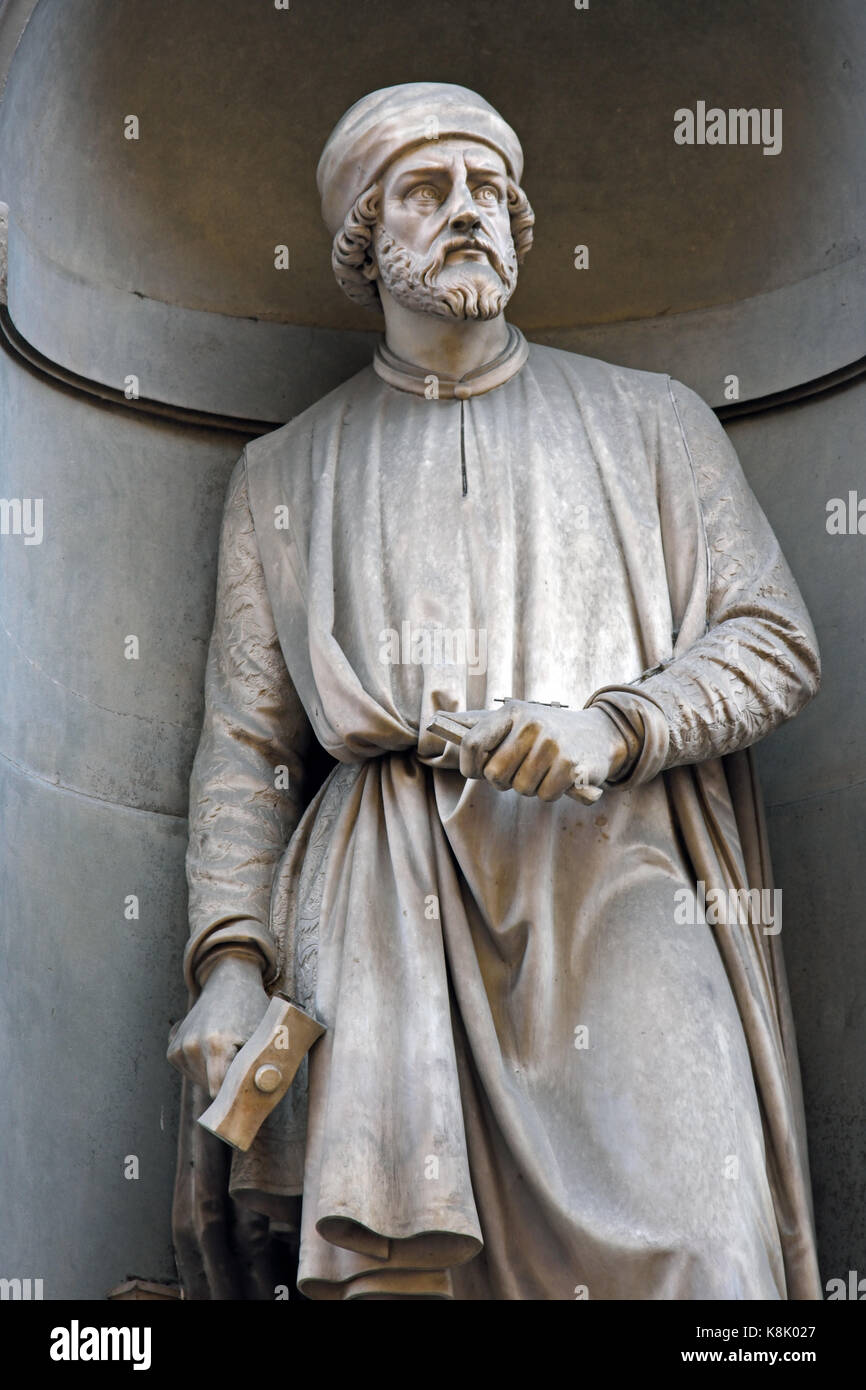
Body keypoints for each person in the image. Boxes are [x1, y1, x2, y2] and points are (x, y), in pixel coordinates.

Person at [168, 82, 822, 1300]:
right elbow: (245, 747)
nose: (468, 212)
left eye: (488, 191)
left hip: (610, 872)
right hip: (383, 903)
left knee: (707, 1246)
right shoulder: (281, 475)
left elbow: (774, 640)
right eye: (425, 190)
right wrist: (229, 959)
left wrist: (611, 723)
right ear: (365, 240)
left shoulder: (651, 424)